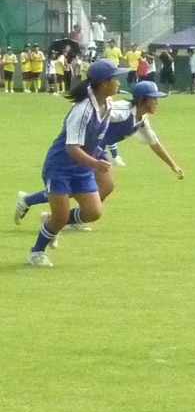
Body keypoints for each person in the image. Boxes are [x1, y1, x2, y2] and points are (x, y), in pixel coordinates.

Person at [15, 80, 184, 232]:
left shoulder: (141, 120)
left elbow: (154, 143)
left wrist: (172, 165)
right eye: (154, 99)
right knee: (79, 188)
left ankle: (63, 215)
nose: (157, 102)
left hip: (97, 150)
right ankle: (42, 209)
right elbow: (91, 112)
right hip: (85, 149)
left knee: (104, 187)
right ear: (142, 100)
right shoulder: (121, 110)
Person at [23, 59, 128, 267]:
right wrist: (96, 163)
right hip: (59, 167)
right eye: (115, 79)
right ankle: (36, 252)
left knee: (93, 212)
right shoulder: (82, 110)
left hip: (82, 168)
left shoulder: (107, 104)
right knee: (60, 218)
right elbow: (72, 148)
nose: (119, 83)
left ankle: (51, 222)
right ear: (103, 84)